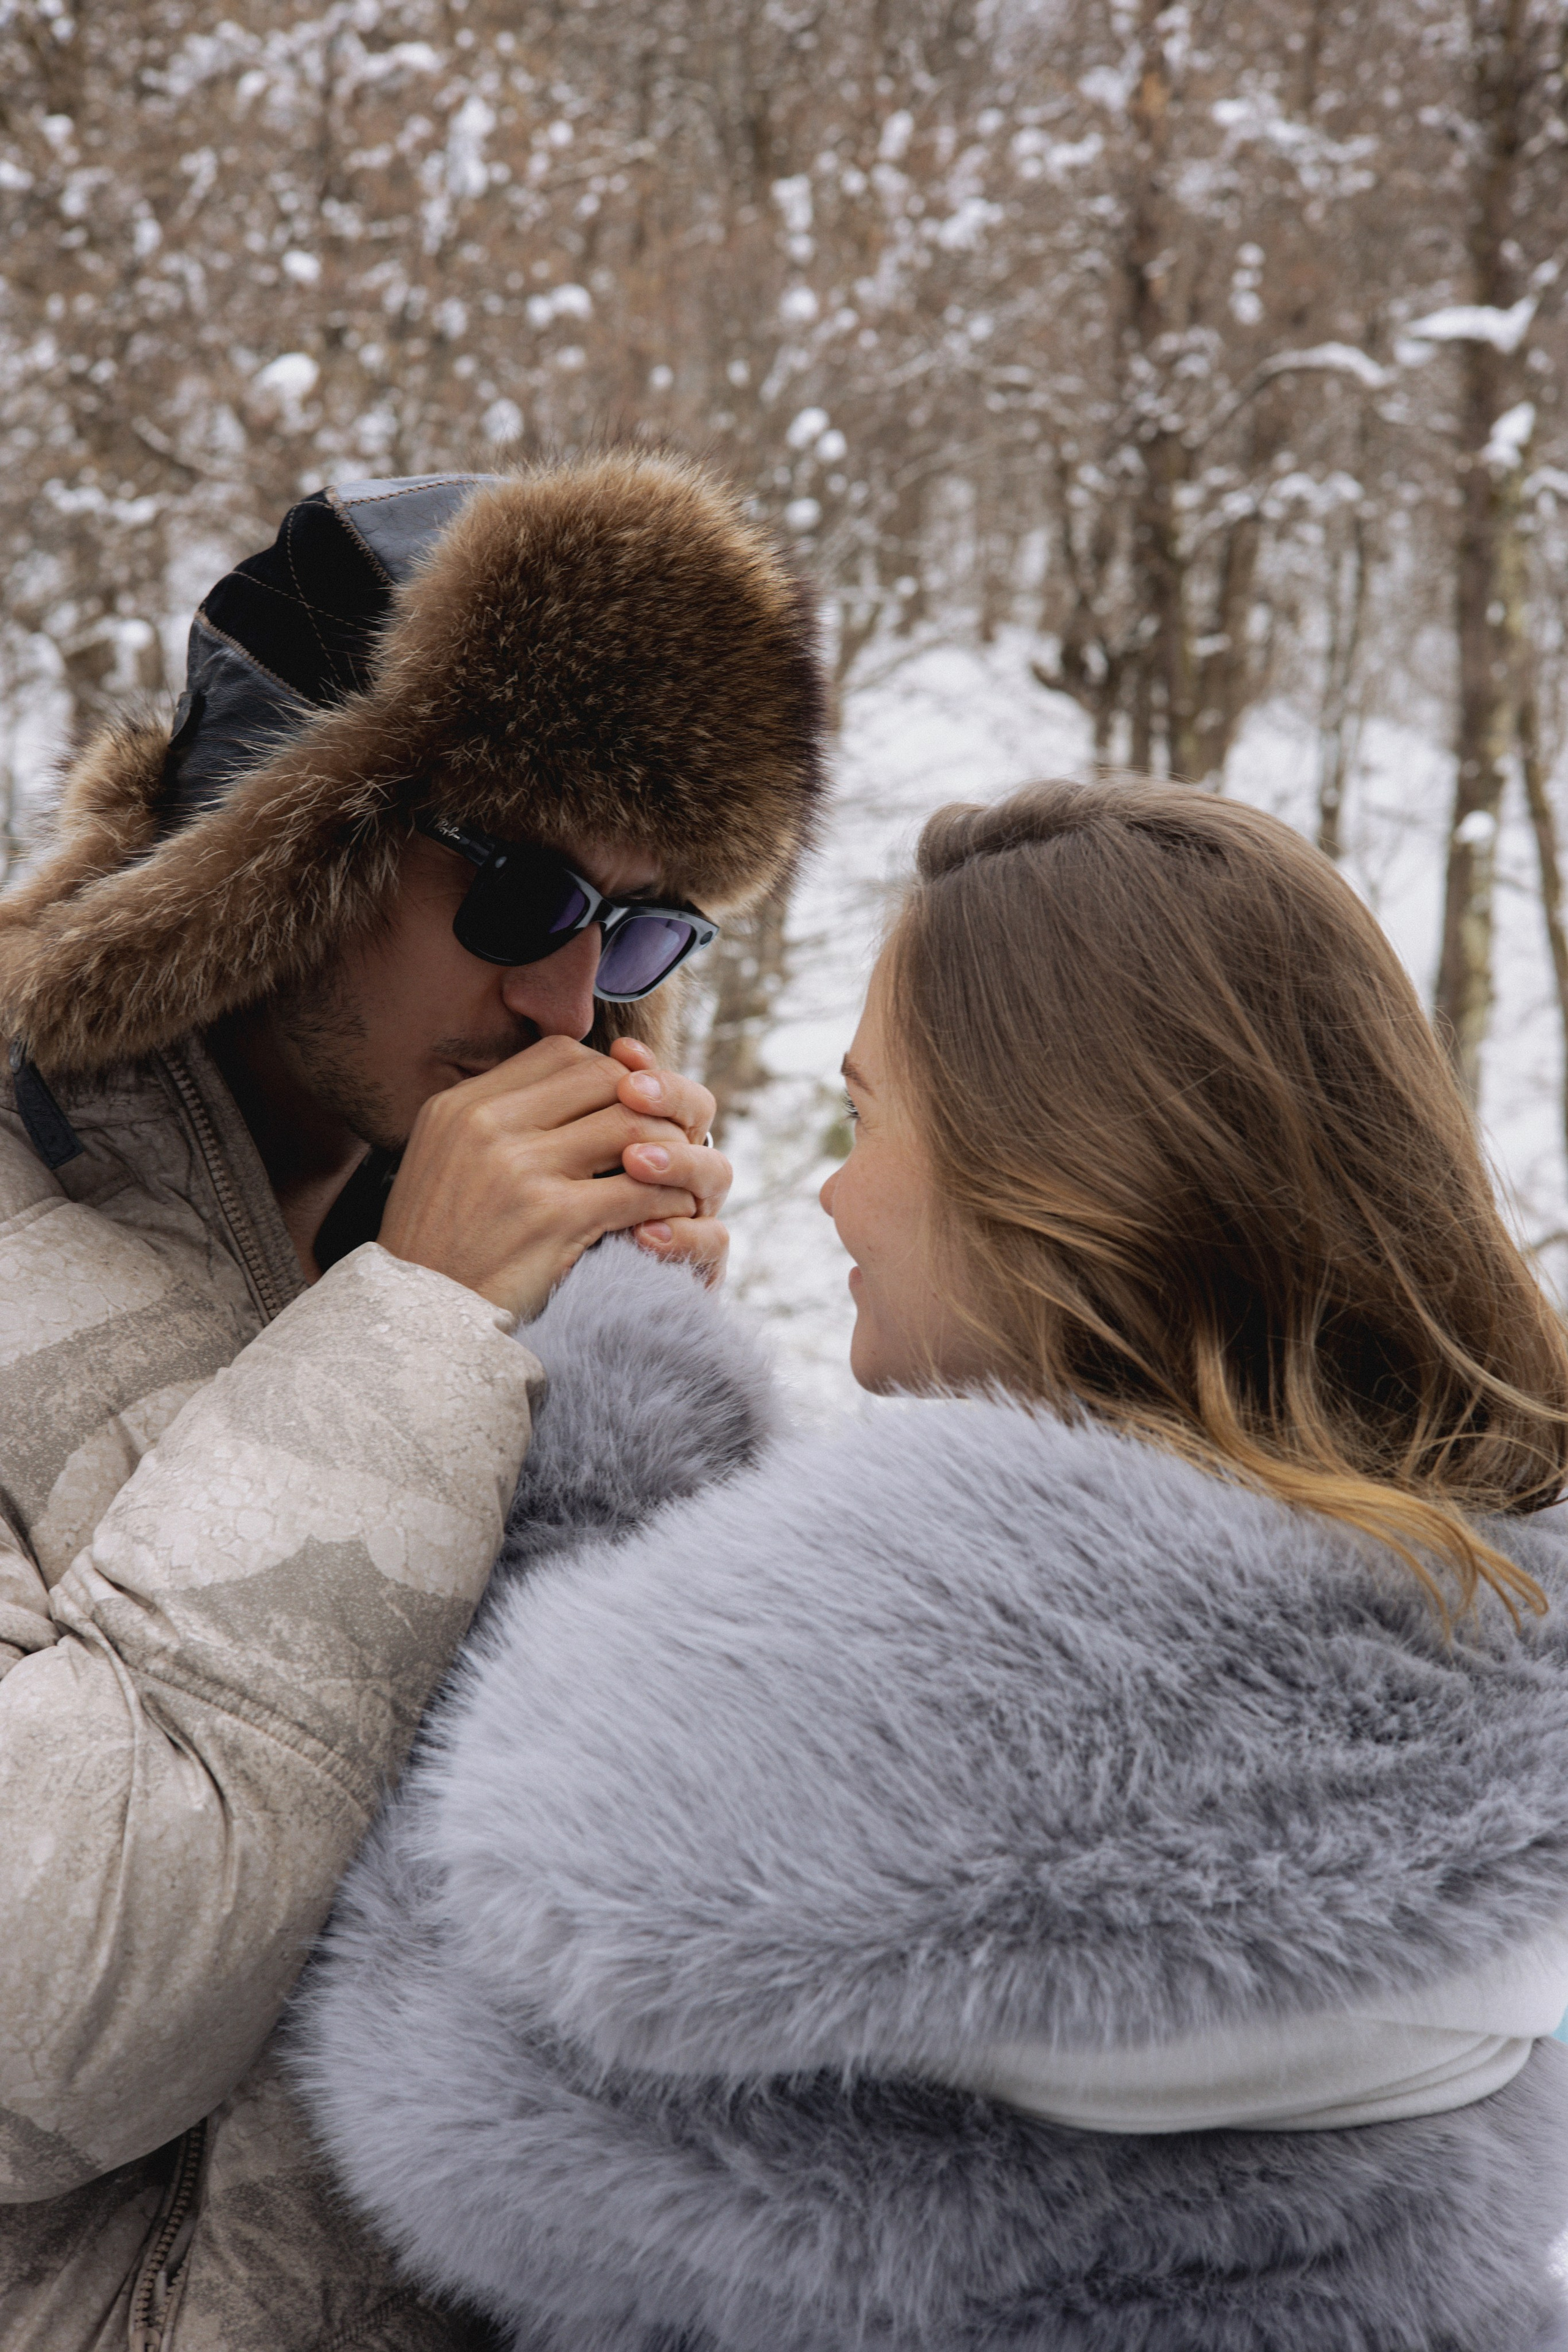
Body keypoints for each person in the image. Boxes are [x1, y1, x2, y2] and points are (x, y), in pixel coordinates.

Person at [301, 777, 1568, 2352]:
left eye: (866, 1117)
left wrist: (578, 1406)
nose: (831, 1191)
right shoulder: (1488, 1641)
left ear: (1047, 1164)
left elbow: (449, 2072)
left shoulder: (905, 1715)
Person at [0, 452, 825, 2350]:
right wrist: (420, 1330)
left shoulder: (494, 1253)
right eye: (521, 888)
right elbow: (44, 2033)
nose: (565, 1002)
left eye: (637, 930)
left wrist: (635, 1396)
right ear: (291, 844)